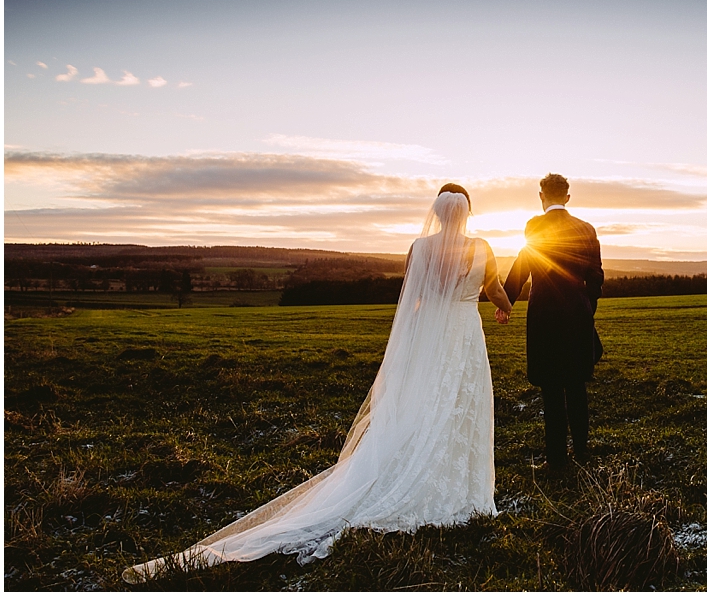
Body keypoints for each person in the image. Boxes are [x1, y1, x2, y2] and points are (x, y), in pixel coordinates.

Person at [125, 186, 511, 582]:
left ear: (438, 212)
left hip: (430, 333)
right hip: (463, 335)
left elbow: (410, 298)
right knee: (462, 401)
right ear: (467, 212)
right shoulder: (482, 247)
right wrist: (506, 307)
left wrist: (412, 337)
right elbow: (494, 288)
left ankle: (415, 463)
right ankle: (457, 484)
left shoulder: (420, 248)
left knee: (422, 401)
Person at [502, 173, 604, 469]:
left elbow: (523, 264)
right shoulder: (586, 229)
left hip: (545, 316)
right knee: (576, 385)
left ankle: (557, 459)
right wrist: (588, 305)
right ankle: (582, 453)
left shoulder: (534, 226)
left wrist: (506, 302)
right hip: (578, 315)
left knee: (551, 389)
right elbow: (596, 275)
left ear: (542, 196)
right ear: (568, 197)